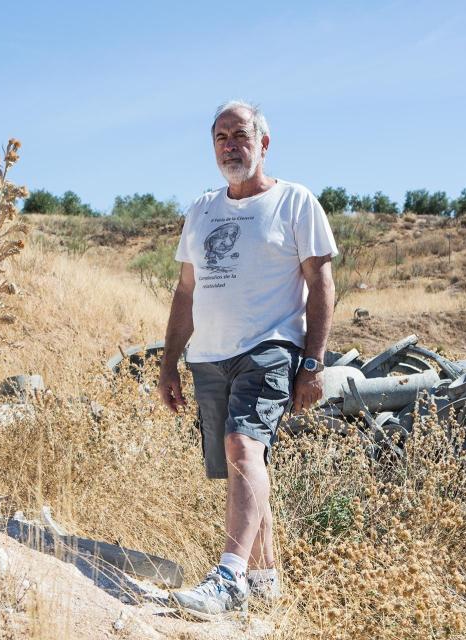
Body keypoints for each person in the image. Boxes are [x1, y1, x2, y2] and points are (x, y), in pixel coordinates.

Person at [158, 99, 337, 621]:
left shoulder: (295, 202)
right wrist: (170, 365)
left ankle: (229, 577)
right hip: (209, 355)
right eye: (221, 138)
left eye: (240, 135)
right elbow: (186, 291)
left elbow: (321, 283)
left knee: (243, 444)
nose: (230, 146)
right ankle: (266, 582)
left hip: (270, 347)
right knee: (243, 467)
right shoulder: (202, 208)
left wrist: (313, 362)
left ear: (264, 142)